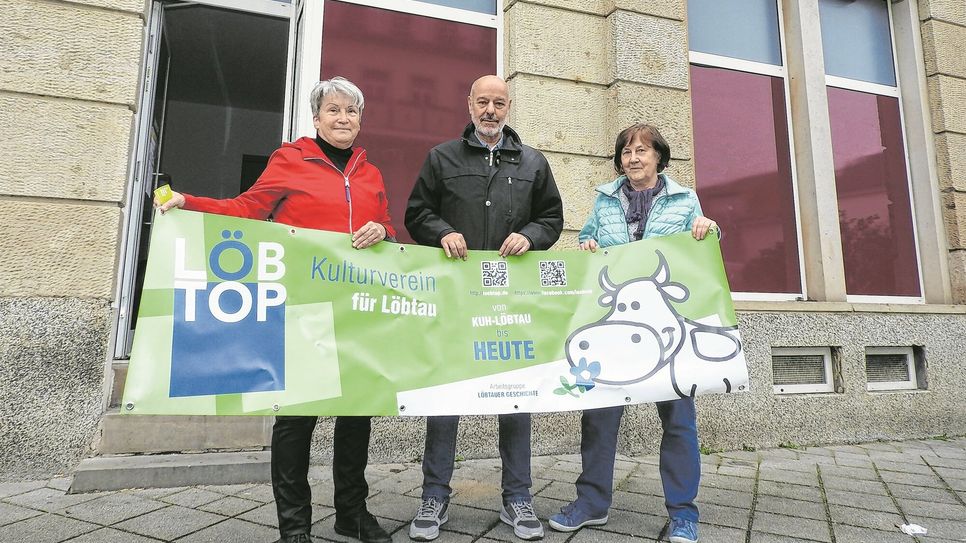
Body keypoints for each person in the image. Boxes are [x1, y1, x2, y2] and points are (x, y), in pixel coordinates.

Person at [155, 77, 394, 543]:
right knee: (296, 419)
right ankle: (295, 527)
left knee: (357, 415)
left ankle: (352, 514)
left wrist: (381, 231)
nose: (343, 118)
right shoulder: (290, 159)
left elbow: (385, 223)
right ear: (317, 117)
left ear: (360, 119)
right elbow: (247, 208)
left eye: (351, 111)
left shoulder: (371, 172)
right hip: (302, 307)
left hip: (356, 309)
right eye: (334, 110)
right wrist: (190, 205)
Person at [404, 75, 564, 541]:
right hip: (455, 301)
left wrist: (530, 237)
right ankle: (434, 497)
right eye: (482, 102)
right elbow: (417, 213)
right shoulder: (442, 158)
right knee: (445, 398)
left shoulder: (533, 162)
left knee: (516, 398)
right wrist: (441, 232)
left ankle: (518, 499)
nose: (490, 110)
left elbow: (551, 218)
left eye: (498, 102)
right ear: (469, 105)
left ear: (509, 106)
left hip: (510, 301)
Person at [547, 123, 717, 543]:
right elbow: (589, 239)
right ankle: (592, 503)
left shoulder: (684, 199)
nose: (634, 157)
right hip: (613, 326)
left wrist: (708, 230)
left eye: (643, 150)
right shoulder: (605, 200)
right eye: (626, 151)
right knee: (599, 417)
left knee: (678, 422)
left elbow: (706, 246)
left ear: (659, 156)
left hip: (668, 327)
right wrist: (586, 245)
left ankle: (682, 512)